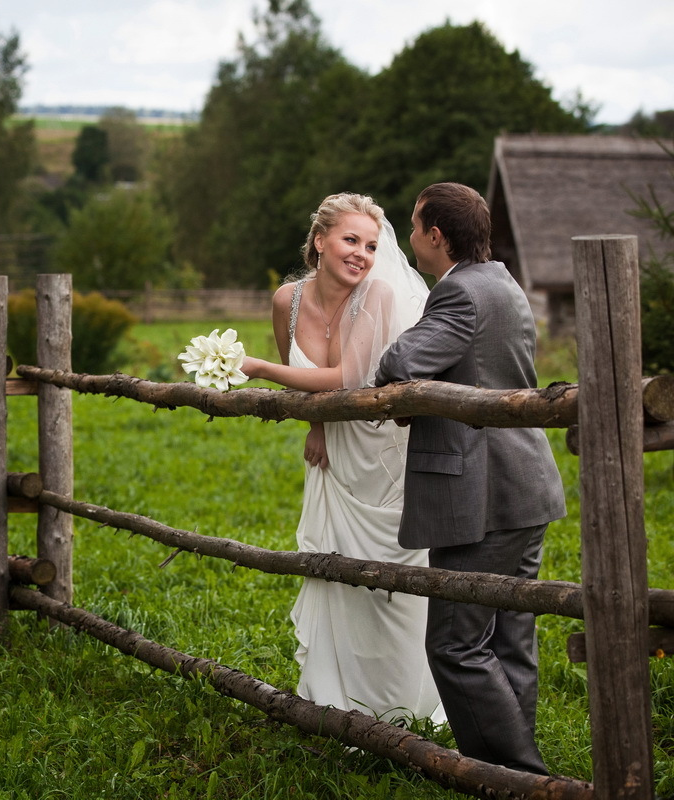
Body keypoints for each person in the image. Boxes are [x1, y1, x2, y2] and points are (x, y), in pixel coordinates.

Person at [373, 182, 566, 774]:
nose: (408, 238)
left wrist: (403, 387)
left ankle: (514, 778)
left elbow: (402, 364)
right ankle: (514, 771)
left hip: (482, 493)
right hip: (526, 484)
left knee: (456, 644)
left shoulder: (458, 293)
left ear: (436, 235)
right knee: (510, 641)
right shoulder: (501, 282)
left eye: (412, 226)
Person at [242, 192, 444, 724]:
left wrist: (256, 369)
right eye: (351, 240)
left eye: (372, 245)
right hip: (334, 453)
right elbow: (304, 384)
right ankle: (339, 701)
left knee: (392, 585)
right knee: (334, 571)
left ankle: (405, 707)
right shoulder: (286, 300)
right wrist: (317, 426)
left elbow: (347, 379)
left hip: (382, 451)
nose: (361, 254)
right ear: (319, 241)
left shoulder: (376, 294)